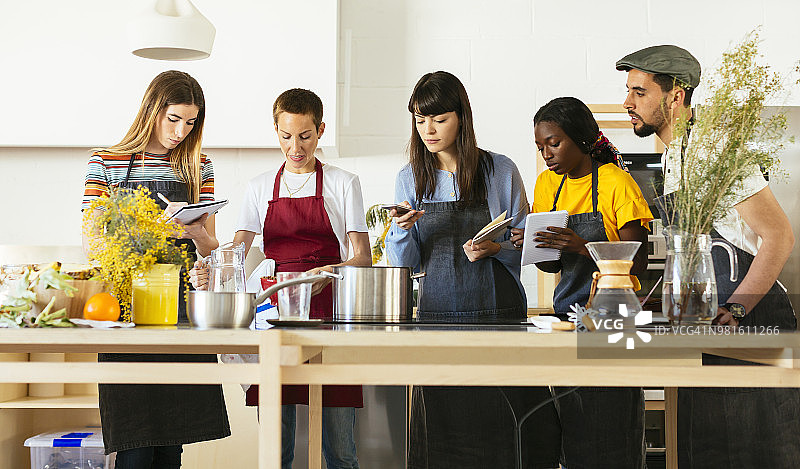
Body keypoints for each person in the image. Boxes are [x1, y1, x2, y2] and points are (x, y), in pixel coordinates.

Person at [617, 44, 800, 467]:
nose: (627, 102)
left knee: (755, 453)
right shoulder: (675, 155)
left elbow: (779, 236)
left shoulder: (714, 148)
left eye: (639, 93)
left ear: (675, 95)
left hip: (751, 320)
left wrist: (737, 307)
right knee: (708, 450)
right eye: (628, 91)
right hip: (708, 320)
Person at [385, 71, 561, 469]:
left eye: (439, 119)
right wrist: (400, 232)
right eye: (419, 120)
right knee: (445, 436)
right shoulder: (410, 177)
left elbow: (527, 251)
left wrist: (496, 247)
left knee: (509, 429)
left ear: (461, 117)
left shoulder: (500, 171)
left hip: (500, 316)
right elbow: (405, 265)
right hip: (438, 320)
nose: (428, 130)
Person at [190, 88, 370, 469]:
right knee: (277, 450)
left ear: (320, 130)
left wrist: (331, 270)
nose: (295, 147)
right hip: (275, 317)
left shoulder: (343, 182)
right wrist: (210, 262)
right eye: (286, 136)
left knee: (340, 450)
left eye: (305, 136)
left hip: (329, 316)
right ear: (275, 130)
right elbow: (236, 255)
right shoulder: (259, 187)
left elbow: (362, 258)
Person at [81, 70, 229, 468]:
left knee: (170, 446)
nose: (182, 131)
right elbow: (93, 244)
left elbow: (210, 248)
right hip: (126, 315)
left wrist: (197, 232)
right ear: (152, 111)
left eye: (191, 122)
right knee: (135, 445)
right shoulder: (106, 162)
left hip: (179, 314)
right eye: (174, 119)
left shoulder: (198, 166)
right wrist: (151, 227)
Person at [510, 96, 652, 468]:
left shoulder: (616, 183)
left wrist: (581, 245)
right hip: (567, 314)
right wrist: (536, 246)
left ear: (581, 138)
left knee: (608, 427)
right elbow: (548, 269)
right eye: (540, 146)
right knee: (571, 423)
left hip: (615, 322)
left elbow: (637, 262)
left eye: (554, 143)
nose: (546, 154)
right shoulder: (546, 185)